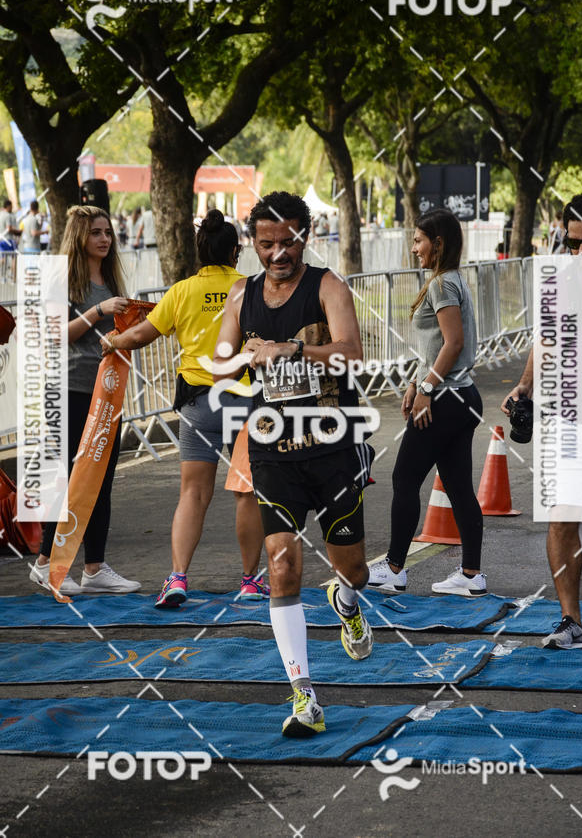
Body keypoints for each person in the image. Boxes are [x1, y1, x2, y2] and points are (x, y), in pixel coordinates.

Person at [214, 190, 374, 739]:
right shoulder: (241, 295)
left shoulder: (328, 286)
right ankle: (304, 696)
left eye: (287, 242)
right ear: (251, 244)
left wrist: (292, 350)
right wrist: (244, 356)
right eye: (266, 244)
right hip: (273, 446)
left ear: (305, 236)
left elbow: (353, 351)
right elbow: (219, 364)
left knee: (351, 567)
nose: (278, 254)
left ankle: (347, 599)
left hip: (332, 445)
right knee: (281, 563)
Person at [101, 209, 268, 607]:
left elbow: (142, 334)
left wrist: (113, 342)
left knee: (193, 494)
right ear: (235, 251)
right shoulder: (253, 287)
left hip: (198, 402)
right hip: (246, 400)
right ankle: (249, 582)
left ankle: (177, 579)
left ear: (199, 251)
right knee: (247, 494)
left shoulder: (181, 291)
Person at [367, 208, 485, 597]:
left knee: (404, 478)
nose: (413, 248)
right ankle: (471, 576)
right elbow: (436, 345)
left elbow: (454, 344)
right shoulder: (449, 280)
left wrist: (428, 389)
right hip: (460, 396)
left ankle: (395, 568)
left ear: (438, 244)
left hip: (446, 399)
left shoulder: (442, 285)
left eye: (418, 240)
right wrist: (415, 382)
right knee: (458, 488)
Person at [502, 191, 582, 649]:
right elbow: (545, 339)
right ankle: (571, 621)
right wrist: (525, 385)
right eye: (573, 241)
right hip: (567, 419)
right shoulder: (562, 277)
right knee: (561, 522)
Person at [30, 205, 140, 595]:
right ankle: (46, 562)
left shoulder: (111, 279)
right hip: (69, 390)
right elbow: (56, 335)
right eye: (96, 232)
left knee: (102, 479)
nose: (105, 239)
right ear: (79, 236)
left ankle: (94, 567)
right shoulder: (61, 278)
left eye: (108, 232)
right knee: (66, 479)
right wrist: (99, 311)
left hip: (106, 393)